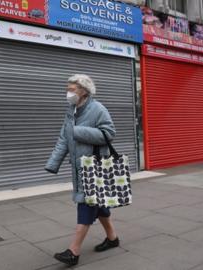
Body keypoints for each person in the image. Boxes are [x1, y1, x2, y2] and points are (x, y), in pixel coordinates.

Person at [45, 74, 120, 266]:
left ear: (84, 91)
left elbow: (109, 133)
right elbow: (64, 137)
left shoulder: (98, 109)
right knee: (98, 203)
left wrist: (78, 132)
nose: (68, 93)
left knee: (86, 203)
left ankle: (73, 251)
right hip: (80, 166)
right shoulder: (72, 109)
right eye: (67, 89)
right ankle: (112, 238)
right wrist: (53, 163)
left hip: (94, 166)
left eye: (71, 89)